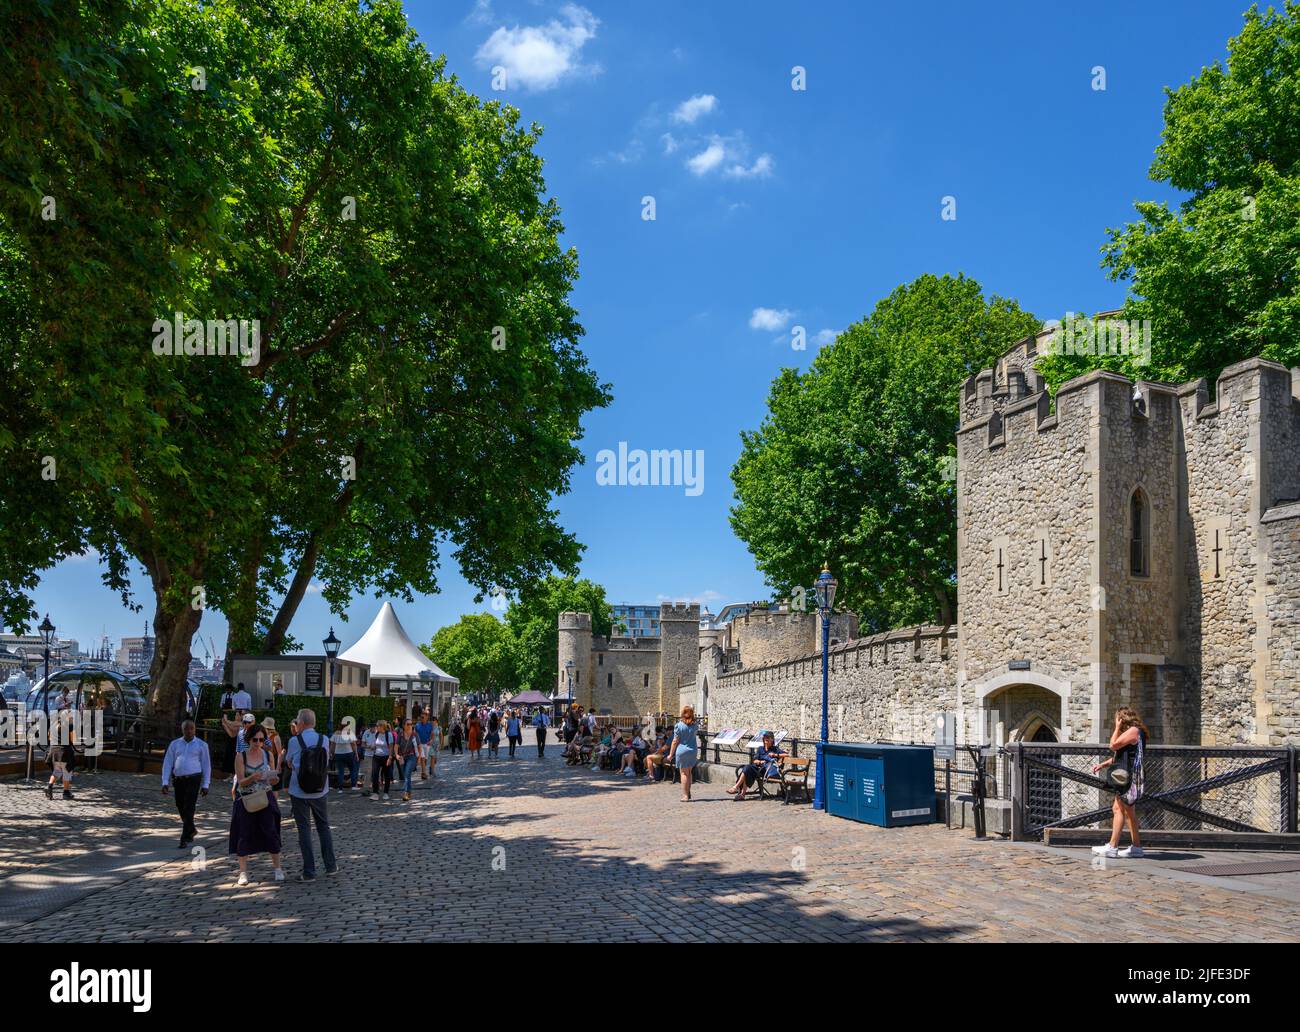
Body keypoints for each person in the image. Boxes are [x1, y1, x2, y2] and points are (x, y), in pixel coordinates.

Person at [283, 708, 337, 882]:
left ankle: (309, 871)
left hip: (299, 791)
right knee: (323, 827)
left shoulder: (294, 741)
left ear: (302, 723)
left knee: (304, 830)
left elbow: (289, 762)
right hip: (321, 790)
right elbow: (326, 760)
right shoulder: (324, 740)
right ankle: (331, 866)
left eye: (297, 722)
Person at [229, 723, 283, 885]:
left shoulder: (268, 755)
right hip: (247, 799)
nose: (258, 743)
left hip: (265, 798)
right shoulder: (241, 756)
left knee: (271, 831)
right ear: (248, 739)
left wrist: (274, 778)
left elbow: (273, 780)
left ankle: (278, 868)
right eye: (255, 739)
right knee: (244, 833)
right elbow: (241, 782)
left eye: (261, 740)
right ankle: (243, 872)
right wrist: (253, 777)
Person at [1091, 707, 1149, 859]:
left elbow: (1113, 745)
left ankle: (1112, 846)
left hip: (1127, 778)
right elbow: (1125, 756)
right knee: (1129, 812)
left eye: (1118, 720)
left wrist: (1117, 728)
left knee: (1118, 808)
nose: (1117, 723)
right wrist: (1103, 764)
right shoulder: (1138, 732)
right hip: (1134, 776)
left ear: (1123, 719)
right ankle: (1136, 847)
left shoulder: (1133, 731)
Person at [162, 720, 212, 847]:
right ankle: (191, 828)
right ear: (182, 730)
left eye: (191, 728)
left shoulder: (201, 745)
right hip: (178, 779)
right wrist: (165, 781)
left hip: (194, 779)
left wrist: (206, 784)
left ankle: (184, 837)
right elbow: (168, 763)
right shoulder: (175, 744)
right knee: (180, 804)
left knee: (189, 807)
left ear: (195, 729)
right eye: (186, 729)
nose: (189, 731)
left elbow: (206, 765)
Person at [727, 731, 786, 801]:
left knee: (748, 769)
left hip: (766, 771)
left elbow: (786, 754)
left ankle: (738, 790)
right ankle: (740, 792)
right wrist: (760, 761)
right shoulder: (760, 748)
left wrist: (775, 755)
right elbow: (754, 760)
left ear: (772, 739)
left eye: (768, 738)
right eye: (764, 738)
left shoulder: (775, 749)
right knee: (747, 769)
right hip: (758, 768)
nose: (766, 739)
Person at [666, 706, 699, 802]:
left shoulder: (679, 725)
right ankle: (688, 791)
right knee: (689, 772)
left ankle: (685, 795)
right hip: (693, 750)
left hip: (682, 750)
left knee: (684, 773)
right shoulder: (695, 725)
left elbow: (675, 741)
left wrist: (670, 754)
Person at [44, 708, 76, 801]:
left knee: (57, 771)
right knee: (67, 772)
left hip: (53, 751)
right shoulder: (69, 726)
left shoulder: (53, 725)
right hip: (64, 752)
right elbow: (72, 740)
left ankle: (49, 787)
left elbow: (49, 737)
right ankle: (66, 793)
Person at [331, 716, 360, 793]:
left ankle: (340, 789)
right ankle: (353, 786)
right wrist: (356, 754)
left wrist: (331, 753)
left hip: (338, 754)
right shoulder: (349, 732)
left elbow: (332, 745)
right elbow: (353, 744)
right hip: (348, 753)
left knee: (340, 771)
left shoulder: (335, 733)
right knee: (353, 769)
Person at [366, 719, 393, 801]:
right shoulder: (377, 734)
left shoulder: (389, 735)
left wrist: (390, 758)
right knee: (375, 774)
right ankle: (375, 793)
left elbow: (391, 747)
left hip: (386, 757)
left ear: (382, 726)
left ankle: (386, 793)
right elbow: (376, 744)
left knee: (386, 775)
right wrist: (371, 747)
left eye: (377, 726)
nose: (376, 727)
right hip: (376, 756)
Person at [397, 718, 420, 801]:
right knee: (406, 775)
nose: (410, 726)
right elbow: (396, 745)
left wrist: (419, 758)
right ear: (404, 726)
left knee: (407, 773)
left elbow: (419, 746)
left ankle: (406, 793)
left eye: (411, 724)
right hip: (402, 757)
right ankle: (409, 791)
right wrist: (396, 754)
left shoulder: (414, 735)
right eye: (408, 724)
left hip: (412, 756)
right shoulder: (400, 734)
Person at [415, 711, 434, 779]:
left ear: (426, 717)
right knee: (422, 758)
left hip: (427, 744)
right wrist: (416, 743)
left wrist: (431, 740)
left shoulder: (430, 725)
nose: (421, 718)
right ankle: (424, 773)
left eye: (423, 717)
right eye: (421, 717)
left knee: (425, 759)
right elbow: (415, 734)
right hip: (419, 745)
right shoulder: (417, 725)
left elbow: (432, 735)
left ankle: (423, 772)